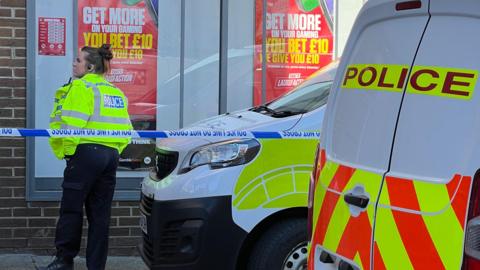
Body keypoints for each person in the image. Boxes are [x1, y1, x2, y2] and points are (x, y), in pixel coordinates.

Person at [39, 44, 132, 270]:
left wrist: (69, 154)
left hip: (85, 155)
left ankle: (64, 261)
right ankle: (96, 266)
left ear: (90, 66)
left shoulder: (82, 87)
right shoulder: (116, 92)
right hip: (110, 157)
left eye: (78, 60)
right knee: (100, 216)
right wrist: (113, 152)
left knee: (71, 209)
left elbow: (71, 125)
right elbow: (126, 131)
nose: (74, 63)